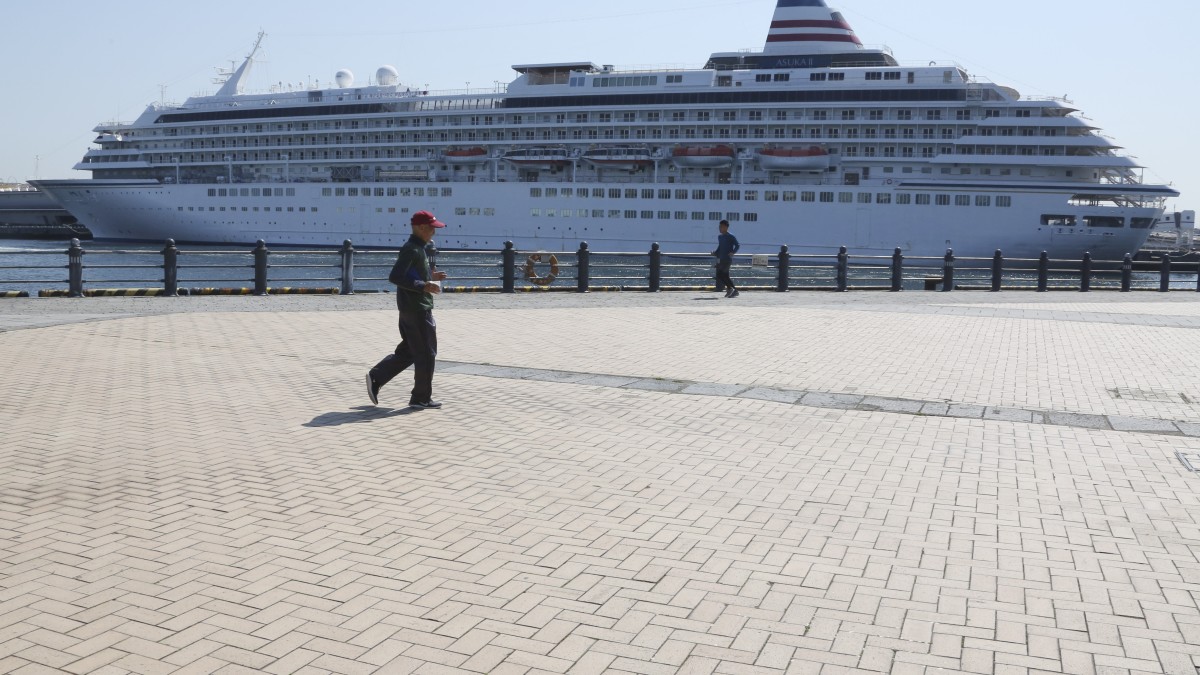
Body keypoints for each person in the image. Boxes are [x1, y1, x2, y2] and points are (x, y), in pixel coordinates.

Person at [366, 210, 449, 408]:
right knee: (427, 353)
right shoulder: (412, 249)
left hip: (411, 308)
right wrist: (423, 286)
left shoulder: (418, 248)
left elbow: (411, 274)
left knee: (411, 350)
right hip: (417, 308)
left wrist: (431, 275)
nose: (433, 233)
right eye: (431, 229)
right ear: (421, 228)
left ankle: (377, 376)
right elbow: (396, 276)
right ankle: (420, 398)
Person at [712, 219, 740, 298]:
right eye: (719, 226)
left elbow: (737, 245)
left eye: (721, 226)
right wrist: (715, 252)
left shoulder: (730, 236)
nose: (719, 228)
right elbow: (720, 247)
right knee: (725, 276)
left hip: (727, 259)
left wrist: (733, 252)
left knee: (720, 274)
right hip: (721, 258)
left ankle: (730, 289)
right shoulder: (720, 237)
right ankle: (734, 291)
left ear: (726, 227)